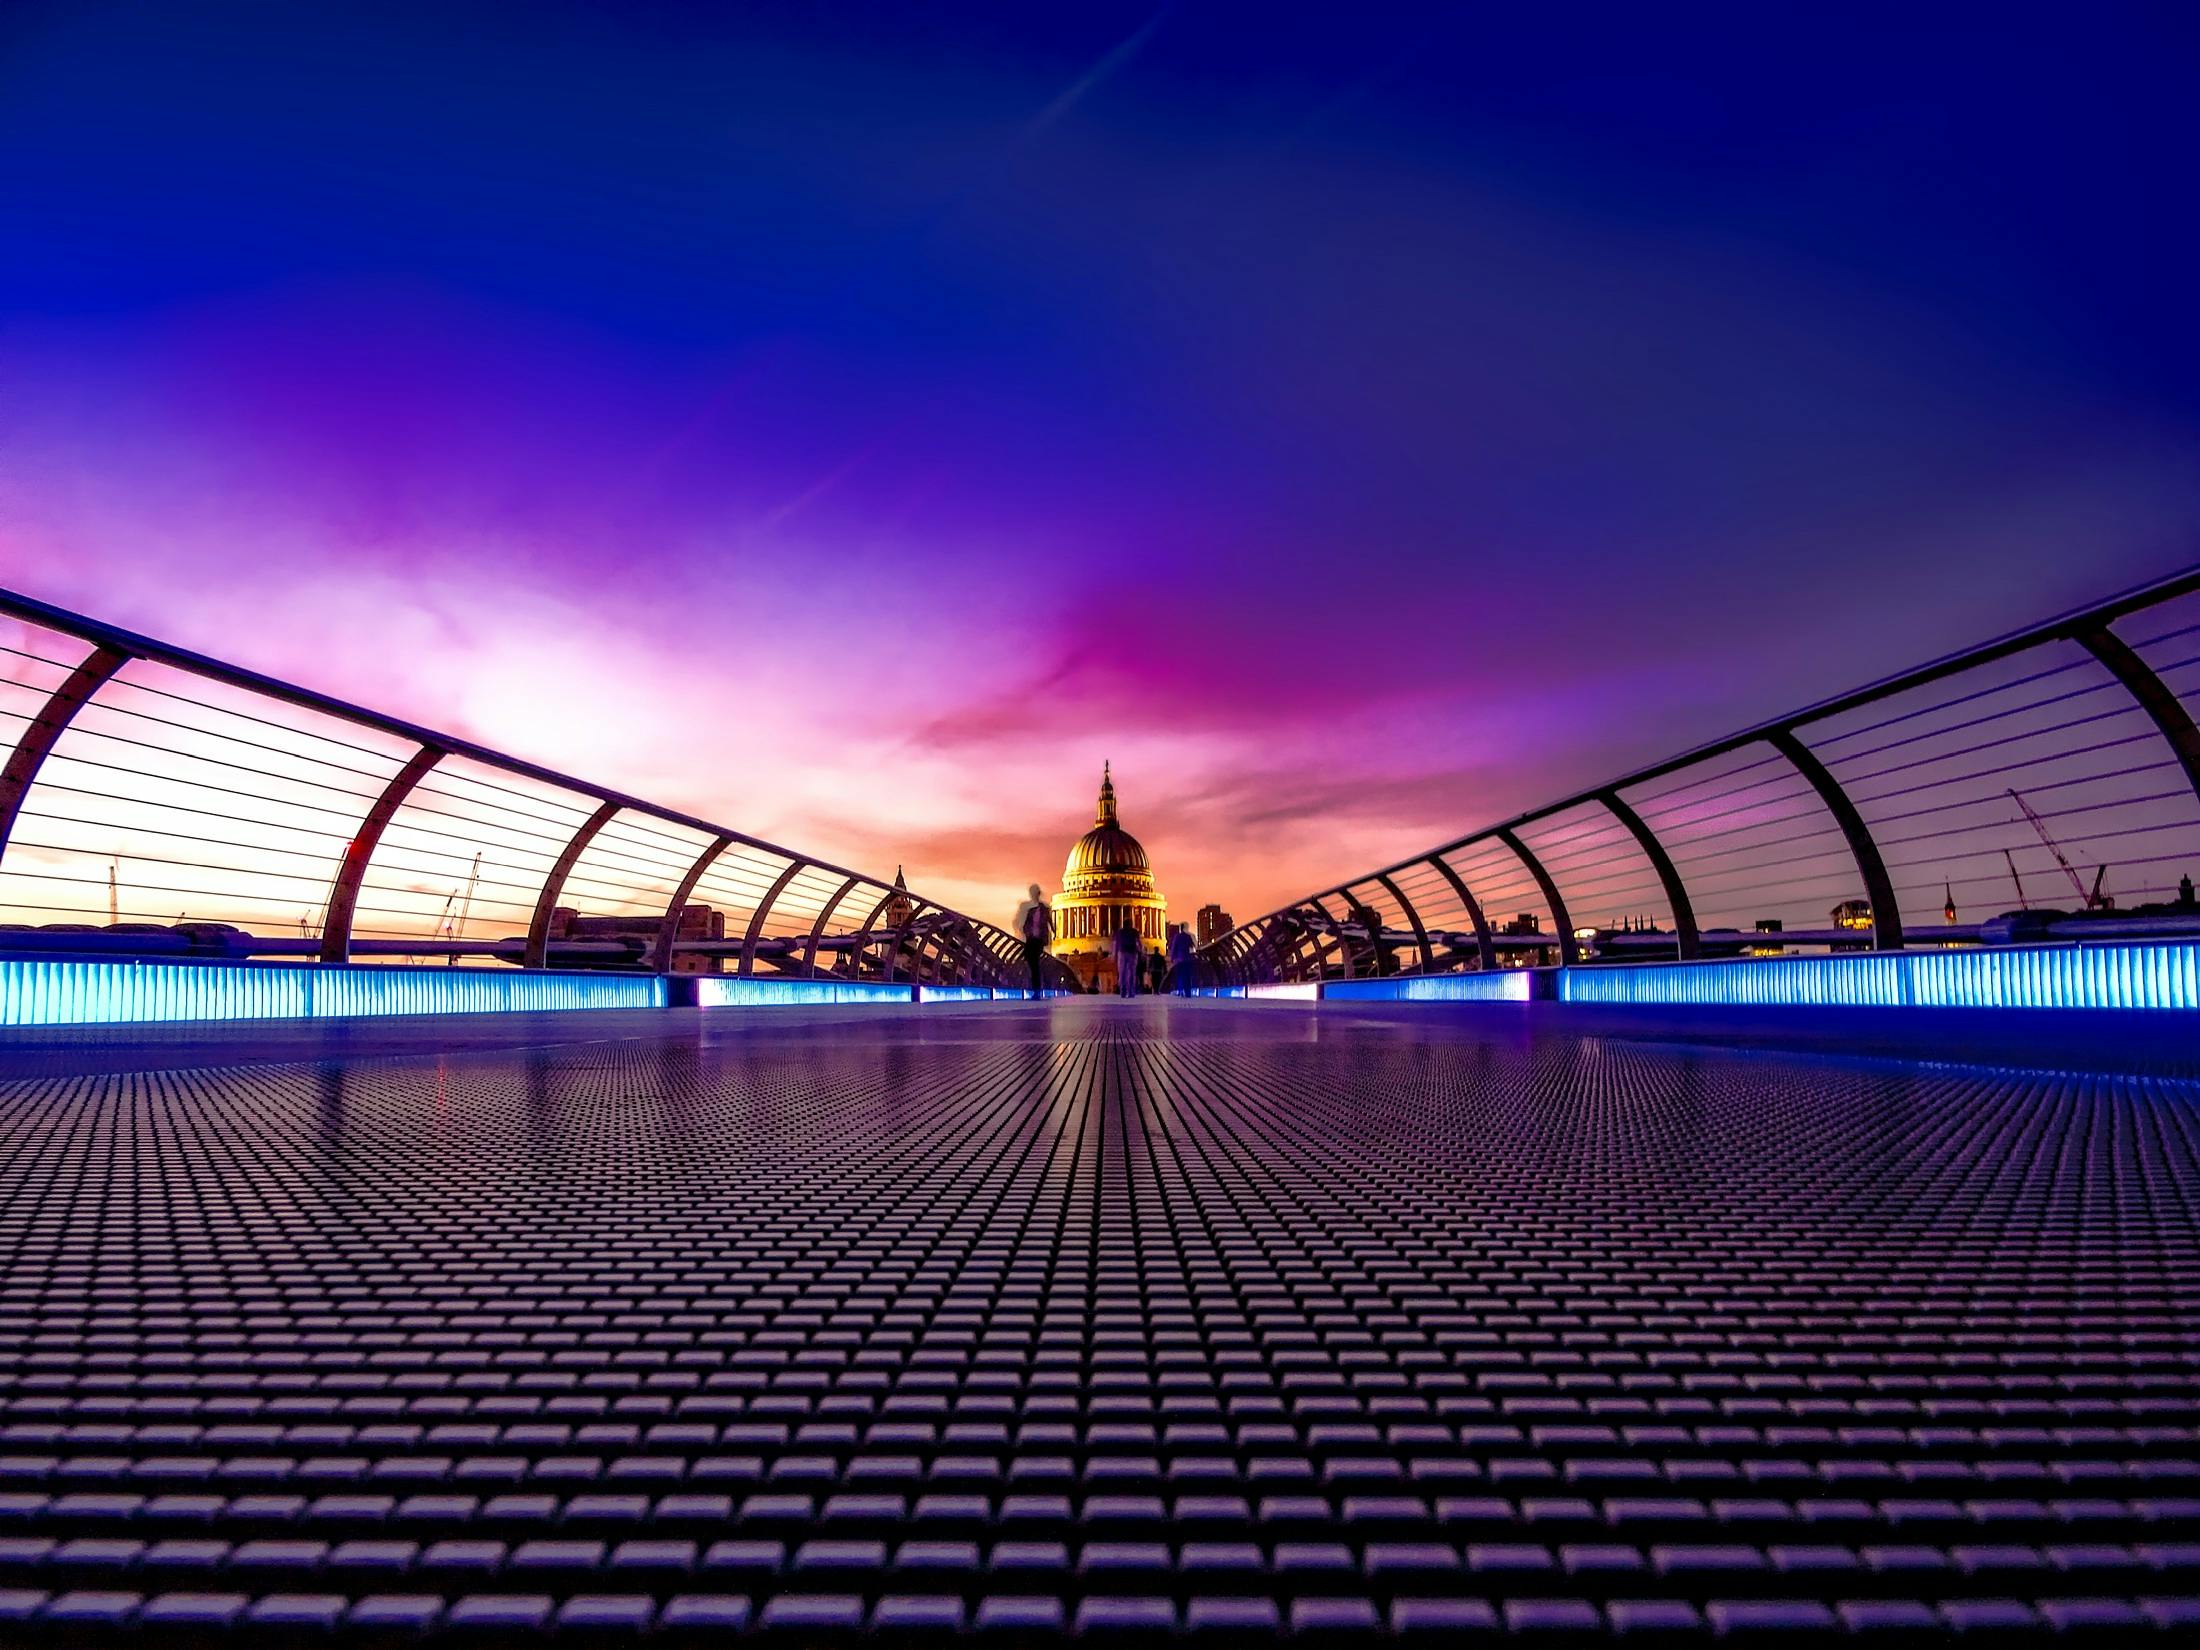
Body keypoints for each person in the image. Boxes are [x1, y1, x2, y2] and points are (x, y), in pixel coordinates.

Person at [1012, 884, 1053, 996]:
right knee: (1031, 961)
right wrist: (1026, 933)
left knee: (1034, 963)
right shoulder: (1030, 910)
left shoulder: (1044, 909)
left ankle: (1036, 987)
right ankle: (1035, 985)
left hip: (1038, 940)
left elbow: (1050, 924)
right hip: (1031, 939)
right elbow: (1024, 924)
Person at [1112, 918, 1143, 998]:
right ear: (1130, 924)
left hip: (1122, 953)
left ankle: (1123, 991)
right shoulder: (1134, 932)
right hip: (1132, 953)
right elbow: (1138, 942)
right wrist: (1141, 952)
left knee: (1122, 973)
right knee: (1132, 973)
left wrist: (1114, 955)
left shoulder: (1119, 932)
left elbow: (1115, 944)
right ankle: (1130, 991)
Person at [1167, 924, 1195, 995]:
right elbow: (1192, 946)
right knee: (1187, 975)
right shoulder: (1188, 936)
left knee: (1180, 975)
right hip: (1187, 959)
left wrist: (1172, 958)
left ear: (1180, 928)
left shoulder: (1177, 937)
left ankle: (1180, 990)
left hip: (1179, 959)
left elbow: (1174, 947)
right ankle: (1187, 991)